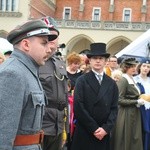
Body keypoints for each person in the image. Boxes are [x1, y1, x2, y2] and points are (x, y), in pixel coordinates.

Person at [0, 19, 57, 149]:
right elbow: (2, 133)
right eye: (44, 43)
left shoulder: (28, 70)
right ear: (26, 44)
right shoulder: (12, 73)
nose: (49, 49)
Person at [71, 43, 119, 150]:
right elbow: (78, 107)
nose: (98, 61)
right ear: (90, 61)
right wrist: (94, 128)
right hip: (85, 130)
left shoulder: (111, 83)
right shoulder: (82, 80)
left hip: (103, 133)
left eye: (101, 58)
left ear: (105, 61)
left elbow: (114, 108)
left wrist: (106, 128)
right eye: (95, 58)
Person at [39, 16, 69, 150]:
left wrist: (65, 129)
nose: (50, 40)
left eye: (53, 36)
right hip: (41, 124)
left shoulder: (60, 63)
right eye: (46, 36)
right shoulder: (36, 62)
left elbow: (65, 98)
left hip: (58, 124)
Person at [111, 58, 144, 150]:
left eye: (134, 66)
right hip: (125, 113)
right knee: (125, 137)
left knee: (133, 136)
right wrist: (136, 101)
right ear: (125, 68)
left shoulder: (132, 78)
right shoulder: (123, 79)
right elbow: (119, 99)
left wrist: (140, 99)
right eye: (131, 67)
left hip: (134, 112)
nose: (133, 68)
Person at [134, 60, 150, 150]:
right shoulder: (135, 79)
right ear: (140, 67)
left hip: (149, 108)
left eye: (148, 67)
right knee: (142, 130)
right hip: (139, 108)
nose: (146, 68)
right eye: (144, 66)